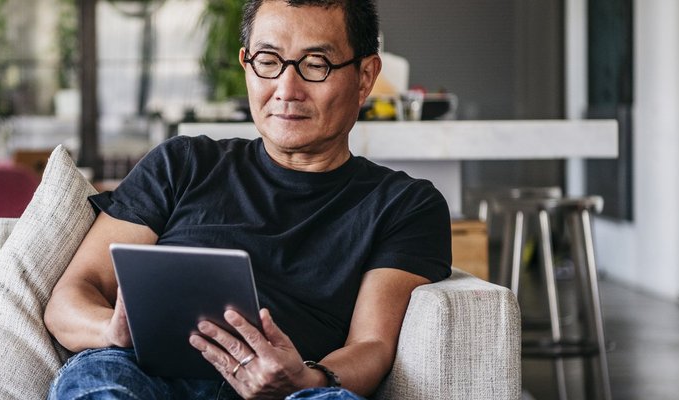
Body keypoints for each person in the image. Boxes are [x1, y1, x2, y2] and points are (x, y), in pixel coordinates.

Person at [43, 0, 452, 399]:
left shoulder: (404, 205)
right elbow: (71, 296)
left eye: (315, 65)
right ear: (246, 64)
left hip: (289, 391)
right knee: (102, 381)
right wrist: (109, 332)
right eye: (269, 62)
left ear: (365, 76)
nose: (286, 90)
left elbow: (371, 344)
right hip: (142, 375)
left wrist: (307, 379)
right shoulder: (183, 163)